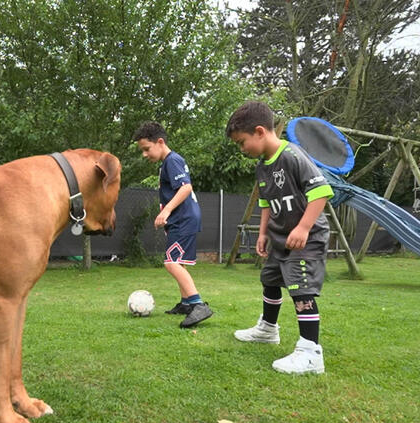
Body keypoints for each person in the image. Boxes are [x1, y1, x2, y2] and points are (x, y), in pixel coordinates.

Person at [225, 101, 334, 374]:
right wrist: (263, 233)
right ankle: (267, 330)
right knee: (270, 279)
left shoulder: (293, 156)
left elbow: (321, 192)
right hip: (279, 238)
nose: (242, 149)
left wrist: (303, 227)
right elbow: (265, 203)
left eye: (242, 142)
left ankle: (311, 352)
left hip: (306, 238)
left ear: (260, 131)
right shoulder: (262, 167)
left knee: (301, 288)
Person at [133, 121, 213, 328]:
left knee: (170, 262)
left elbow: (185, 188)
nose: (144, 154)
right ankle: (186, 303)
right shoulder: (168, 163)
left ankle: (197, 303)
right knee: (180, 261)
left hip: (183, 219)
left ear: (160, 142)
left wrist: (166, 210)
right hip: (183, 219)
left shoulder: (172, 161)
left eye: (146, 149)